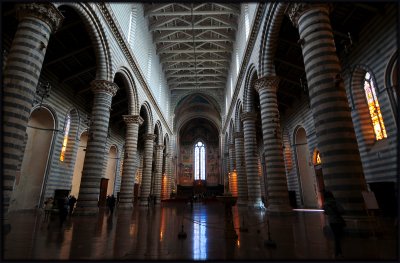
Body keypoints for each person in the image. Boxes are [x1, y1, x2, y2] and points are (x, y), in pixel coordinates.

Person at [323, 190, 346, 258]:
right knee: (338, 237)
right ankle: (338, 253)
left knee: (336, 237)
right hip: (339, 221)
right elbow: (342, 210)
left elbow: (326, 212)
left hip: (332, 222)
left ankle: (338, 253)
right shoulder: (336, 202)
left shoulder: (325, 204)